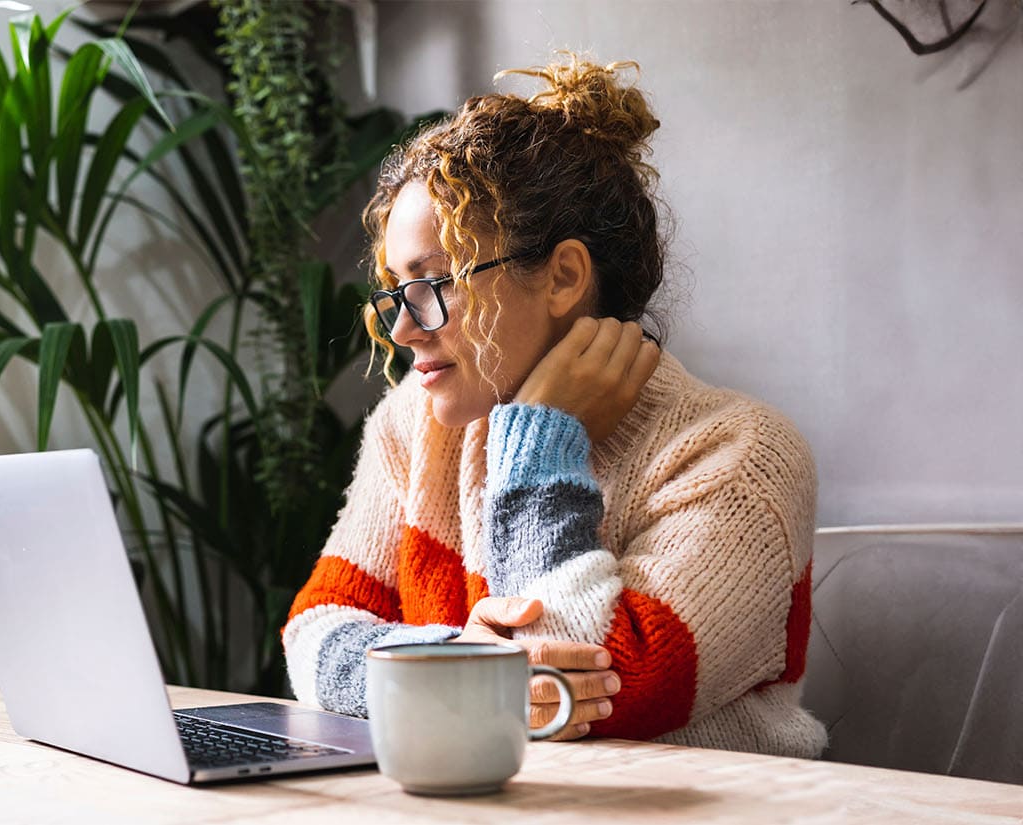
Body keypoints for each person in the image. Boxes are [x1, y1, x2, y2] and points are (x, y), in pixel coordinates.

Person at [280, 53, 827, 757]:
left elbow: (581, 696)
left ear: (564, 276)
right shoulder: (413, 426)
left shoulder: (740, 453)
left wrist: (541, 438)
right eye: (395, 292)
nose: (403, 328)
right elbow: (313, 630)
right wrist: (460, 658)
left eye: (434, 283)